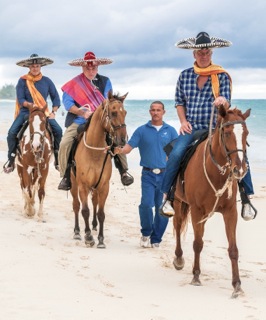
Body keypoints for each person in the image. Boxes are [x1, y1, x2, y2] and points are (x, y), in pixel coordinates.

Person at [160, 31, 257, 221]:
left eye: (207, 52)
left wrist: (222, 100)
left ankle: (246, 198)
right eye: (200, 53)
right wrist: (183, 121)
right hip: (193, 127)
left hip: (217, 129)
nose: (203, 55)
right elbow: (179, 102)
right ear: (194, 55)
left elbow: (227, 102)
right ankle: (168, 196)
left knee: (240, 152)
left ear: (211, 54)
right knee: (176, 154)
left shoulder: (220, 75)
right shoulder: (185, 75)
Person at [57, 51, 134, 191]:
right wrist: (83, 112)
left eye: (93, 68)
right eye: (88, 68)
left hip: (101, 119)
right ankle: (65, 176)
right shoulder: (73, 84)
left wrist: (100, 113)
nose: (91, 70)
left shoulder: (106, 81)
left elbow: (108, 101)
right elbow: (68, 104)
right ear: (82, 68)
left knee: (118, 139)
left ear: (97, 68)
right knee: (64, 143)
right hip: (80, 120)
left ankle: (124, 171)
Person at [113, 101, 178, 248]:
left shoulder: (171, 130)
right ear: (150, 112)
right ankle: (146, 233)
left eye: (158, 110)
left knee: (162, 208)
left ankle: (156, 240)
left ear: (163, 112)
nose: (155, 112)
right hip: (148, 174)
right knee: (146, 205)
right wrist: (119, 150)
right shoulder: (142, 130)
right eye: (153, 110)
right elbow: (129, 147)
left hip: (165, 176)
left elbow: (176, 152)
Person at [3, 53, 62, 173]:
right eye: (33, 66)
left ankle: (57, 158)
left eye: (37, 66)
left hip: (43, 112)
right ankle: (11, 159)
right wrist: (31, 105)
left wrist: (53, 112)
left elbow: (55, 98)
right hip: (26, 112)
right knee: (11, 133)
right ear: (29, 67)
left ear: (41, 67)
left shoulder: (47, 81)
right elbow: (21, 100)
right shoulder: (22, 81)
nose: (35, 68)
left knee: (59, 131)